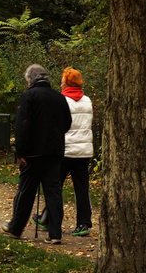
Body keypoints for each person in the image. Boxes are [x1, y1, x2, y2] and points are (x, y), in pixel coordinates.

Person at [1, 64, 72, 244]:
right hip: (55, 152)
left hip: (33, 154)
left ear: (30, 80)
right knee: (53, 192)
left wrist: (20, 151)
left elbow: (22, 125)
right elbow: (67, 124)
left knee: (26, 191)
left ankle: (16, 228)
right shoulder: (59, 97)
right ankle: (55, 233)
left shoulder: (28, 96)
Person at [33, 66, 94, 237]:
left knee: (54, 186)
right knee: (82, 188)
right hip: (83, 151)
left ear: (67, 83)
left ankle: (47, 218)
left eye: (62, 81)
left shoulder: (60, 100)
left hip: (64, 149)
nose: (60, 85)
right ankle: (83, 223)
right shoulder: (87, 101)